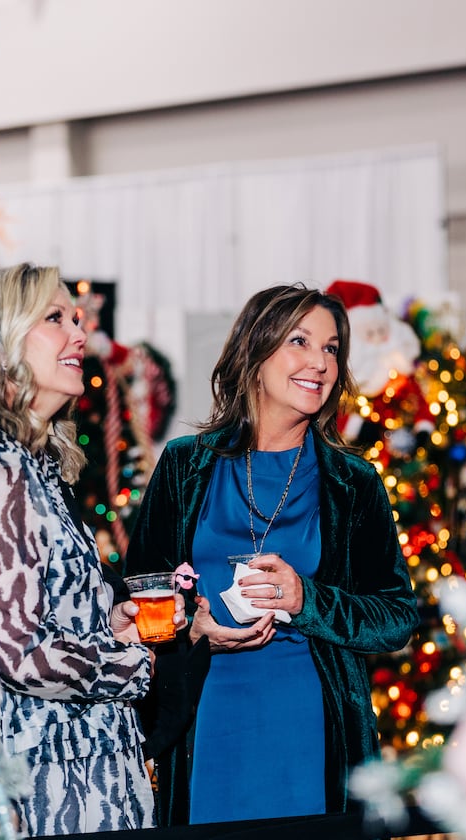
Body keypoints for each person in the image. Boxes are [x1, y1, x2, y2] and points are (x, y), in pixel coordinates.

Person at [125, 284, 419, 826]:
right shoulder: (184, 466)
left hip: (312, 722)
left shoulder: (354, 484)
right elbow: (138, 596)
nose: (321, 363)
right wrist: (191, 627)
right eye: (300, 341)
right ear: (254, 355)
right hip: (203, 717)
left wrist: (309, 599)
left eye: (332, 349)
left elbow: (397, 618)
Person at [0, 262, 173, 835]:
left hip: (70, 762)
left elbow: (22, 613)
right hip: (48, 779)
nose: (79, 334)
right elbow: (13, 652)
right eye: (55, 318)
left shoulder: (27, 462)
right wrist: (135, 664)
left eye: (75, 318)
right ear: (0, 340)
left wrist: (107, 622)